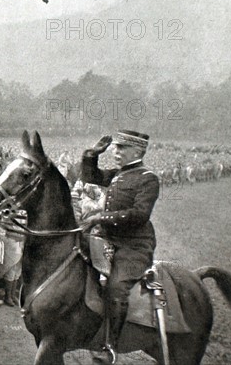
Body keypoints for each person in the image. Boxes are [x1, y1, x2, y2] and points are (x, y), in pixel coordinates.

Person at [81, 130, 160, 364]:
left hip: (134, 246)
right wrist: (91, 155)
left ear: (138, 151)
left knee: (116, 288)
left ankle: (110, 346)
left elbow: (139, 215)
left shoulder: (148, 178)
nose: (116, 152)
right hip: (107, 239)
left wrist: (99, 218)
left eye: (121, 148)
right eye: (115, 148)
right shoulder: (118, 174)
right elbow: (91, 176)